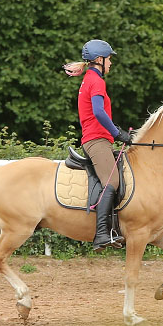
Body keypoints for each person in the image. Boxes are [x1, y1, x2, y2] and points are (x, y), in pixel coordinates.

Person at [63, 39, 130, 251]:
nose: (111, 63)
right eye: (109, 59)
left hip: (98, 138)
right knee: (112, 181)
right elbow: (99, 112)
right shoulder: (97, 81)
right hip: (96, 140)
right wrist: (117, 133)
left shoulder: (89, 78)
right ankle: (101, 234)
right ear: (99, 60)